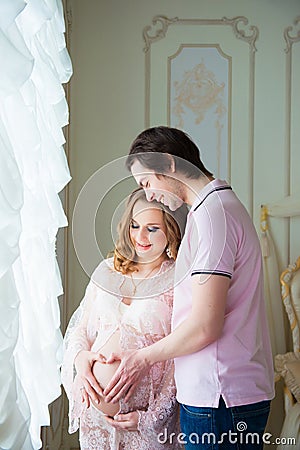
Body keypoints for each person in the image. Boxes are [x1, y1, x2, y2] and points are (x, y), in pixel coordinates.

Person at [102, 126, 275, 449]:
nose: (149, 194)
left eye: (147, 182)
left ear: (168, 164)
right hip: (220, 395)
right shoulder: (211, 210)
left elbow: (205, 326)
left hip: (220, 397)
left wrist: (140, 359)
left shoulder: (214, 216)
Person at [61, 187, 188, 450]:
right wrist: (80, 359)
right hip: (96, 420)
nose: (140, 236)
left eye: (152, 228)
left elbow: (182, 355)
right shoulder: (107, 270)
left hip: (143, 422)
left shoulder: (179, 280)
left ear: (171, 230)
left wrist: (150, 419)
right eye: (134, 225)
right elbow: (80, 329)